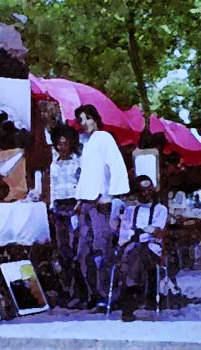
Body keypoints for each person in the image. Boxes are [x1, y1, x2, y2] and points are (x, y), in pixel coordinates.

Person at [73, 104, 130, 308]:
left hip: (100, 202)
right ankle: (94, 294)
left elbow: (115, 165)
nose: (84, 123)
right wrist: (79, 199)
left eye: (87, 118)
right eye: (80, 120)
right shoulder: (85, 144)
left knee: (101, 249)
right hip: (86, 203)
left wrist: (110, 194)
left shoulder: (105, 137)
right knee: (83, 252)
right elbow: (87, 174)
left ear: (94, 118)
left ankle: (108, 296)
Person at [117, 175, 168, 322]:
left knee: (138, 253)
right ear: (137, 192)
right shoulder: (130, 211)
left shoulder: (160, 209)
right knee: (134, 252)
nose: (146, 193)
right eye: (143, 190)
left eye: (149, 189)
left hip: (152, 251)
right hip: (132, 248)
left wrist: (146, 232)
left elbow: (158, 231)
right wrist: (141, 232)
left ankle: (129, 296)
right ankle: (132, 294)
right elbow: (124, 235)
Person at [49, 125, 81, 304]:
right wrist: (51, 206)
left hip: (72, 205)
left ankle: (78, 291)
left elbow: (81, 183)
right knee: (62, 250)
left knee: (74, 246)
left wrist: (78, 203)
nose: (62, 147)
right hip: (58, 206)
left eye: (65, 143)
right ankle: (67, 289)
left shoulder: (77, 162)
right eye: (59, 144)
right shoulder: (54, 164)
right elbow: (51, 186)